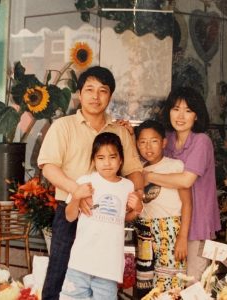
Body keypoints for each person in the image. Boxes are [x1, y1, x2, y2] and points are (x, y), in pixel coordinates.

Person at [37, 66, 143, 300]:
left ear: (110, 96)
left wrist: (137, 196)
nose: (95, 96)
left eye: (102, 91)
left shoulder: (121, 131)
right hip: (71, 212)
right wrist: (76, 191)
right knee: (60, 274)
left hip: (106, 217)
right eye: (89, 89)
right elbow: (48, 166)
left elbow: (135, 170)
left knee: (103, 281)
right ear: (79, 94)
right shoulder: (63, 126)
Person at [144, 87, 221, 283]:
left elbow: (186, 180)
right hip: (170, 223)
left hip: (196, 224)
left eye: (188, 110)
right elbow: (146, 151)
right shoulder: (167, 139)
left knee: (193, 284)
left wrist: (149, 175)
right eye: (176, 108)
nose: (180, 115)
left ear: (196, 115)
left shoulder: (201, 141)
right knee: (170, 284)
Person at [60, 132, 142, 300]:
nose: (107, 163)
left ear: (120, 160)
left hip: (108, 268)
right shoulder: (85, 181)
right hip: (80, 263)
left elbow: (122, 219)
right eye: (101, 157)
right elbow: (69, 217)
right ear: (93, 160)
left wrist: (137, 209)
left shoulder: (127, 186)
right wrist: (76, 196)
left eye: (112, 157)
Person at [133, 120, 192, 297]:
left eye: (154, 141)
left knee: (171, 285)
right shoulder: (138, 170)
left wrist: (182, 237)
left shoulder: (175, 166)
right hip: (144, 232)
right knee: (147, 286)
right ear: (136, 144)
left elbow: (187, 203)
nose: (148, 147)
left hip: (170, 231)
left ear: (164, 142)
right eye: (142, 142)